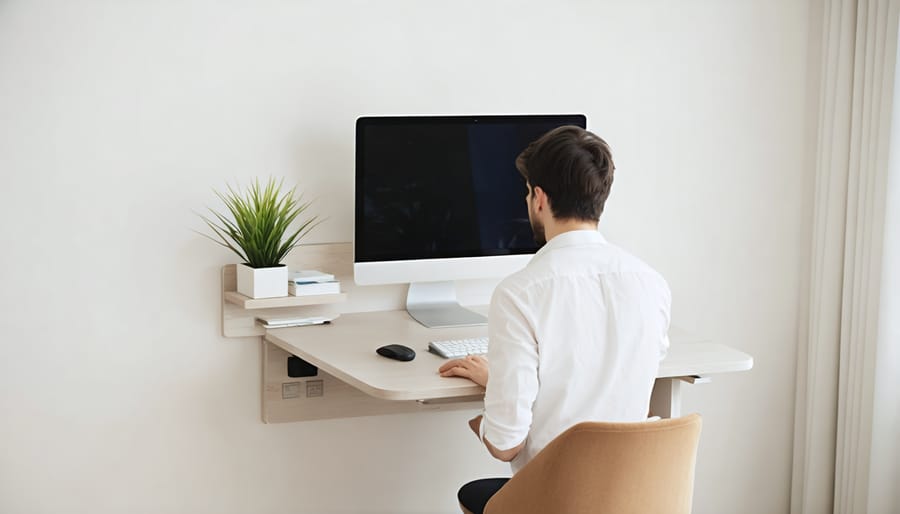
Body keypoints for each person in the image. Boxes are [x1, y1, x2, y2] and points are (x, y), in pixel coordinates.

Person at [437, 125, 671, 514]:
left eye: (528, 192)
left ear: (539, 198)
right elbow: (615, 379)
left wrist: (499, 389)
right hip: (629, 498)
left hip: (551, 502)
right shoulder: (651, 282)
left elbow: (504, 444)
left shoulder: (520, 292)